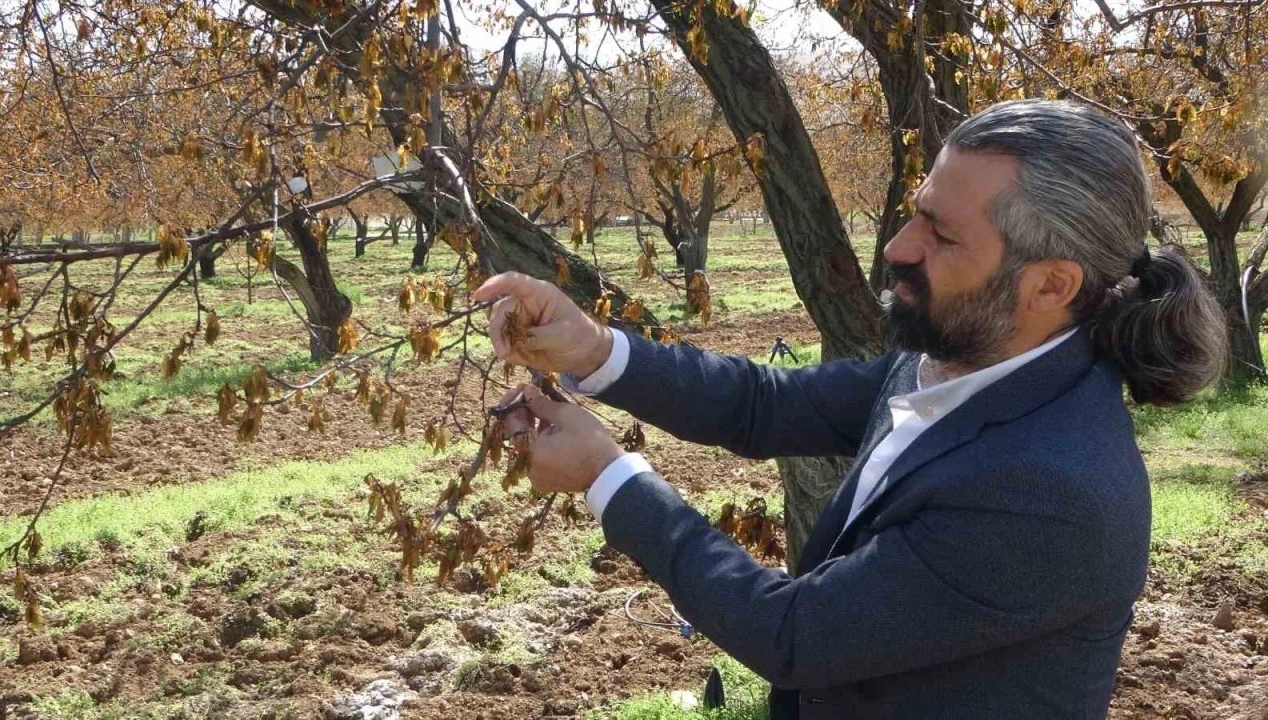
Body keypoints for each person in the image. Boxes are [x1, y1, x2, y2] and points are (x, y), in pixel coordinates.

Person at [473, 99, 1227, 719]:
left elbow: (794, 635)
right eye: (918, 213)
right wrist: (592, 347)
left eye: (941, 234)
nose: (897, 246)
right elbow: (762, 404)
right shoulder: (961, 361)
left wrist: (607, 477)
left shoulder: (1050, 490)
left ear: (1051, 285)